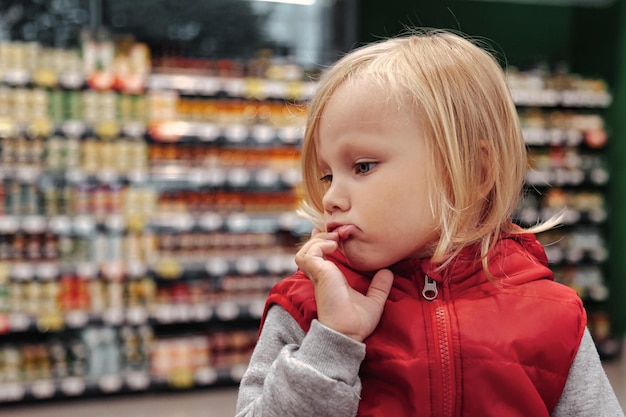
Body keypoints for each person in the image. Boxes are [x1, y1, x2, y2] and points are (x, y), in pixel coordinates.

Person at [235, 28, 624, 417]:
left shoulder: (553, 315)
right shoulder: (307, 306)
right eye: (327, 176)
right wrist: (333, 342)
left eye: (362, 166)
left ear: (473, 171)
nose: (332, 197)